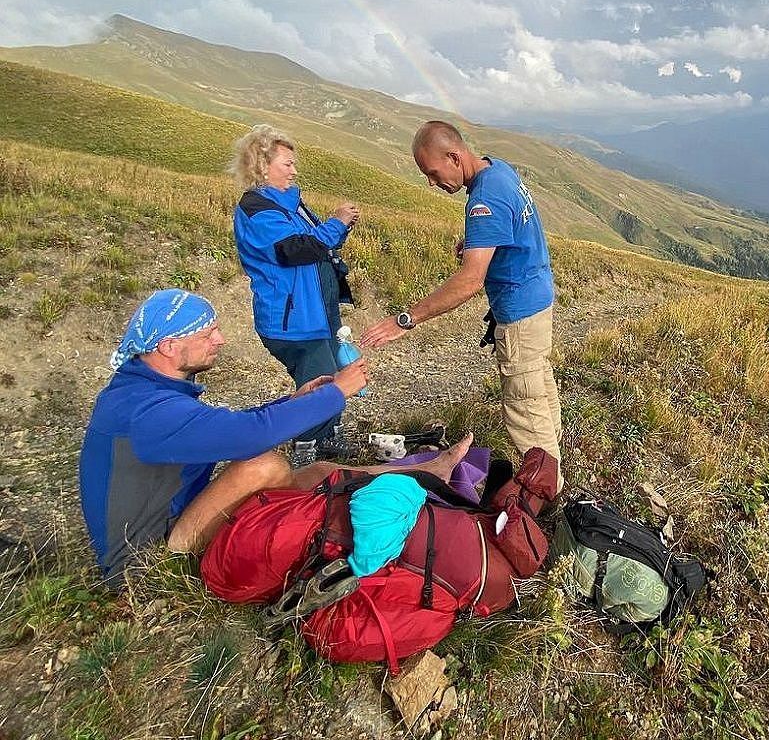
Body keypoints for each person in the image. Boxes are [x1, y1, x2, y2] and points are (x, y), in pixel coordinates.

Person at [78, 288, 369, 583]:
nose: (221, 340)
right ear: (168, 346)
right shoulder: (144, 412)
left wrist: (296, 402)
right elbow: (250, 436)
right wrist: (336, 393)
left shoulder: (144, 391)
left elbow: (227, 427)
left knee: (319, 472)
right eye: (208, 334)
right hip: (145, 562)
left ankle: (405, 475)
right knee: (266, 468)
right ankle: (295, 541)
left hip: (178, 519)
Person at [362, 121, 562, 477]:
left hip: (519, 311)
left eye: (434, 173)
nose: (432, 183)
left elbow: (469, 281)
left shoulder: (484, 199)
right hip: (539, 297)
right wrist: (480, 244)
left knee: (525, 408)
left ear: (454, 156)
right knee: (540, 388)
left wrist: (403, 320)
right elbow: (515, 222)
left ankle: (546, 492)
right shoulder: (498, 169)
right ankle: (553, 465)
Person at [230, 124, 361, 466]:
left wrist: (339, 229)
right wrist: (336, 222)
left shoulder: (290, 203)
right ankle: (307, 456)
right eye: (287, 163)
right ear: (262, 164)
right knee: (319, 385)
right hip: (293, 321)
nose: (294, 169)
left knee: (330, 377)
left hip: (315, 314)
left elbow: (320, 246)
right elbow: (296, 250)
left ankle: (326, 439)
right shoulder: (257, 209)